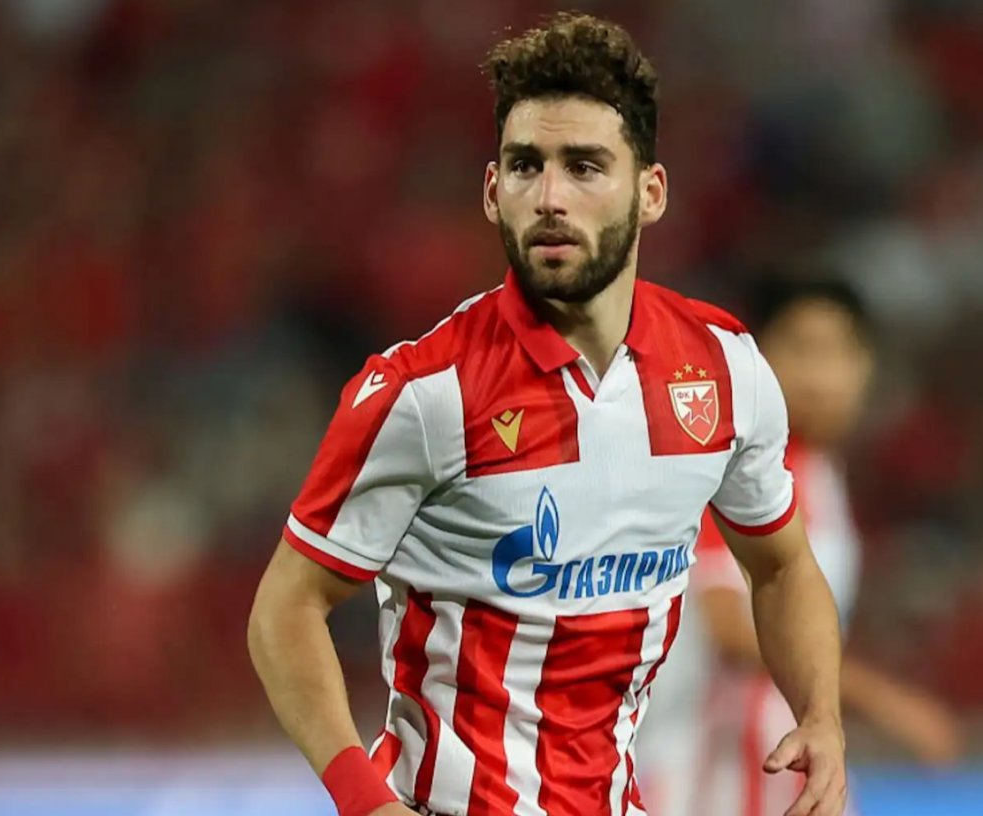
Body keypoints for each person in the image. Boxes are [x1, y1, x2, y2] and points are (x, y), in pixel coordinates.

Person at [247, 13, 848, 816]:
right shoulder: (426, 391)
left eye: (585, 167)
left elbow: (782, 566)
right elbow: (286, 607)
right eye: (525, 165)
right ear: (492, 190)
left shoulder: (723, 371)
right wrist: (364, 801)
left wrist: (821, 715)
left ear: (651, 192)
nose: (551, 197)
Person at [637, 277, 964, 816]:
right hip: (714, 779)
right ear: (757, 360)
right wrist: (883, 700)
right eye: (802, 349)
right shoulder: (741, 471)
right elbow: (728, 628)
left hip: (784, 772)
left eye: (840, 352)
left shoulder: (820, 473)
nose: (821, 376)